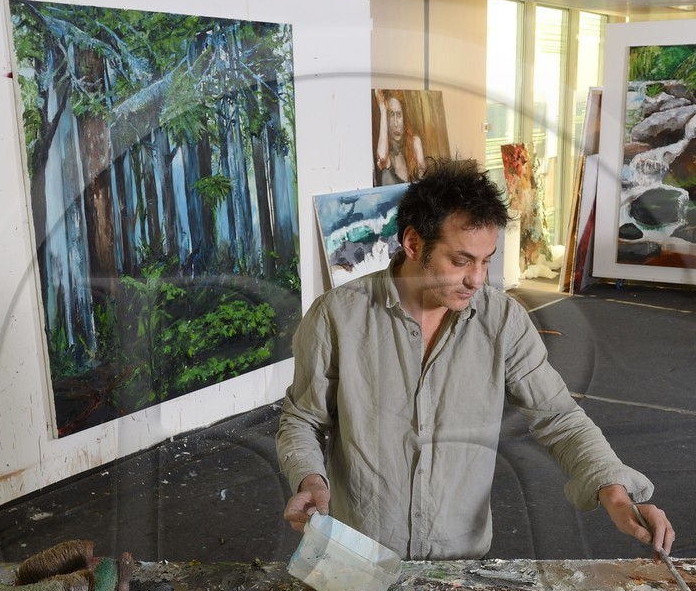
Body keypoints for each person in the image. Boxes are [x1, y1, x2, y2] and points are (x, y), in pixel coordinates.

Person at [277, 158, 673, 561]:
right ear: (413, 244)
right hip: (356, 554)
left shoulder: (503, 321)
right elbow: (302, 419)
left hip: (460, 561)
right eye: (461, 260)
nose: (477, 279)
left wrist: (614, 490)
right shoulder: (337, 316)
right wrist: (310, 480)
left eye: (486, 260)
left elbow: (559, 417)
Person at [373, 89, 426, 186]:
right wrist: (383, 108)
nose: (396, 123)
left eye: (399, 115)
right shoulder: (385, 152)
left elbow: (424, 186)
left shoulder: (414, 144)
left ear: (404, 118)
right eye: (391, 115)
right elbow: (382, 157)